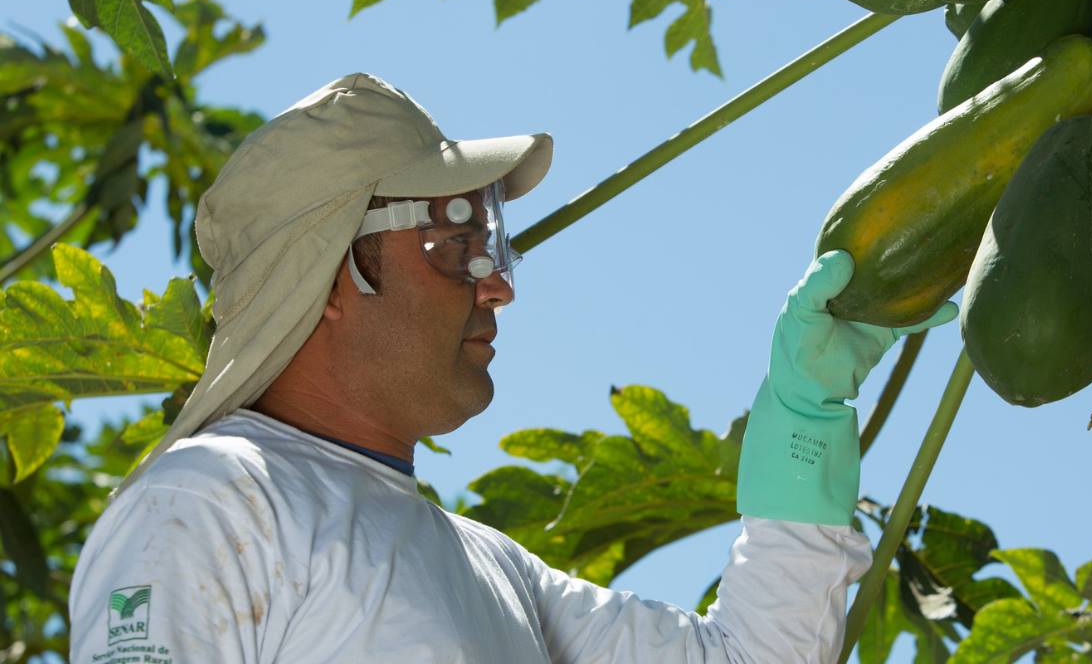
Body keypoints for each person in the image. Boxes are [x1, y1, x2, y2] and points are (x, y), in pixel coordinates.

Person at [68, 73, 955, 663]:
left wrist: (805, 423)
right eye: (455, 247)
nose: (496, 291)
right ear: (334, 274)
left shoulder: (493, 569)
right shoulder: (206, 501)